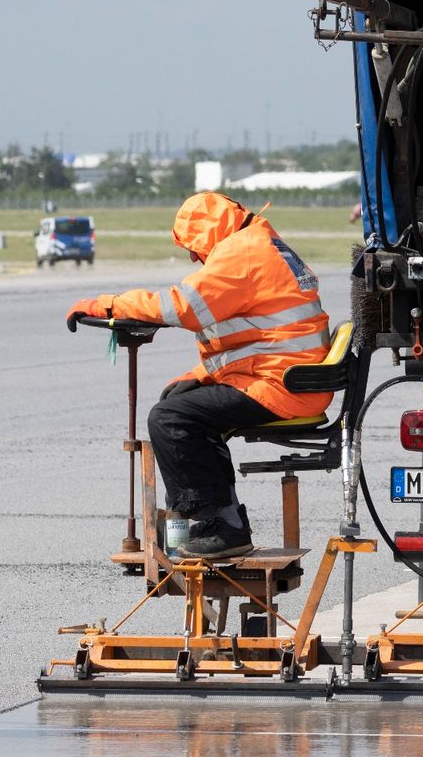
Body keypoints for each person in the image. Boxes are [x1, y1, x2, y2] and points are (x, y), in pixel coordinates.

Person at [69, 192, 332, 560]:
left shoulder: (242, 252)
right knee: (177, 403)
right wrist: (201, 375)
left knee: (170, 418)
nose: (193, 257)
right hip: (286, 375)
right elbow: (255, 337)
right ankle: (219, 520)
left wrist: (107, 305)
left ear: (209, 231)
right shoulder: (260, 240)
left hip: (282, 385)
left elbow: (183, 307)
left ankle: (223, 527)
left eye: (193, 246)